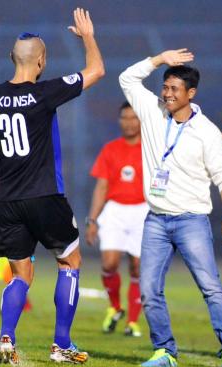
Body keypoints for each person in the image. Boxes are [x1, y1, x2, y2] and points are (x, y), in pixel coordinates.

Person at [0, 8, 104, 365]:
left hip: (9, 202)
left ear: (11, 58)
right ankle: (61, 345)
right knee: (70, 262)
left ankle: (7, 337)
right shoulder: (45, 93)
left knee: (21, 273)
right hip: (45, 197)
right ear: (41, 61)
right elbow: (96, 70)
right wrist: (87, 36)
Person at [119, 49, 222, 367]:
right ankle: (164, 351)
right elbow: (127, 78)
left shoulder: (207, 131)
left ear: (191, 93)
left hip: (192, 220)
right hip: (156, 220)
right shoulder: (151, 111)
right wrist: (159, 59)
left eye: (175, 89)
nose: (167, 93)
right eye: (165, 86)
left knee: (210, 287)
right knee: (148, 290)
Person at [85, 101, 147, 337]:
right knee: (109, 263)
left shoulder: (150, 147)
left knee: (138, 267)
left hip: (143, 210)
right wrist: (92, 220)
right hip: (114, 211)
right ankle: (115, 307)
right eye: (124, 118)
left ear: (141, 120)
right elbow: (101, 186)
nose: (129, 122)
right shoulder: (110, 149)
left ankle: (132, 322)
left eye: (133, 117)